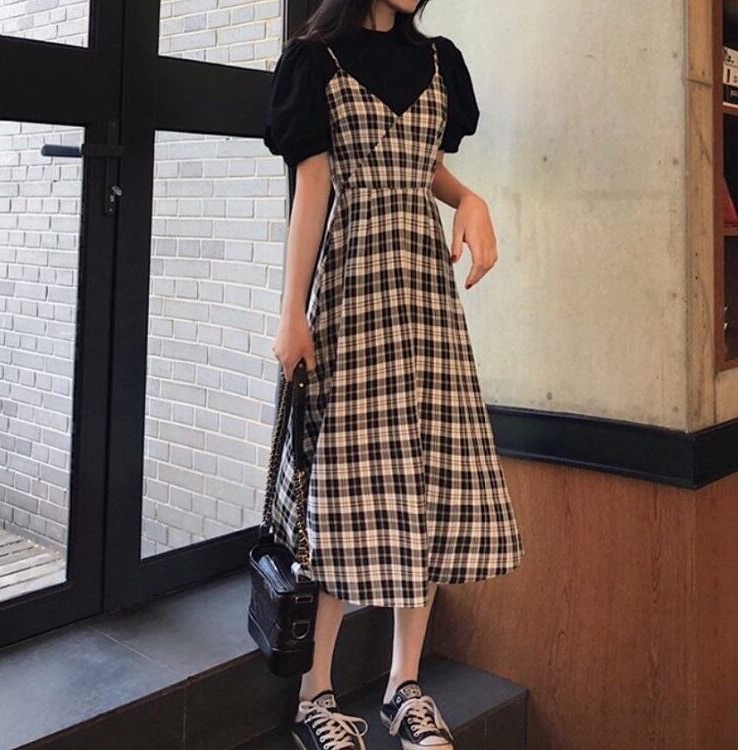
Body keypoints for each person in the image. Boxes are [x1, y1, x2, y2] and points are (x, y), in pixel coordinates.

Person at [263, 1, 526, 747]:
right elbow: (314, 187)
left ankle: (403, 688)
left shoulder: (439, 61)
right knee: (342, 489)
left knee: (431, 477)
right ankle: (316, 696)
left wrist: (469, 197)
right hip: (354, 293)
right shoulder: (316, 61)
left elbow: (425, 167)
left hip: (428, 306)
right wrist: (291, 312)